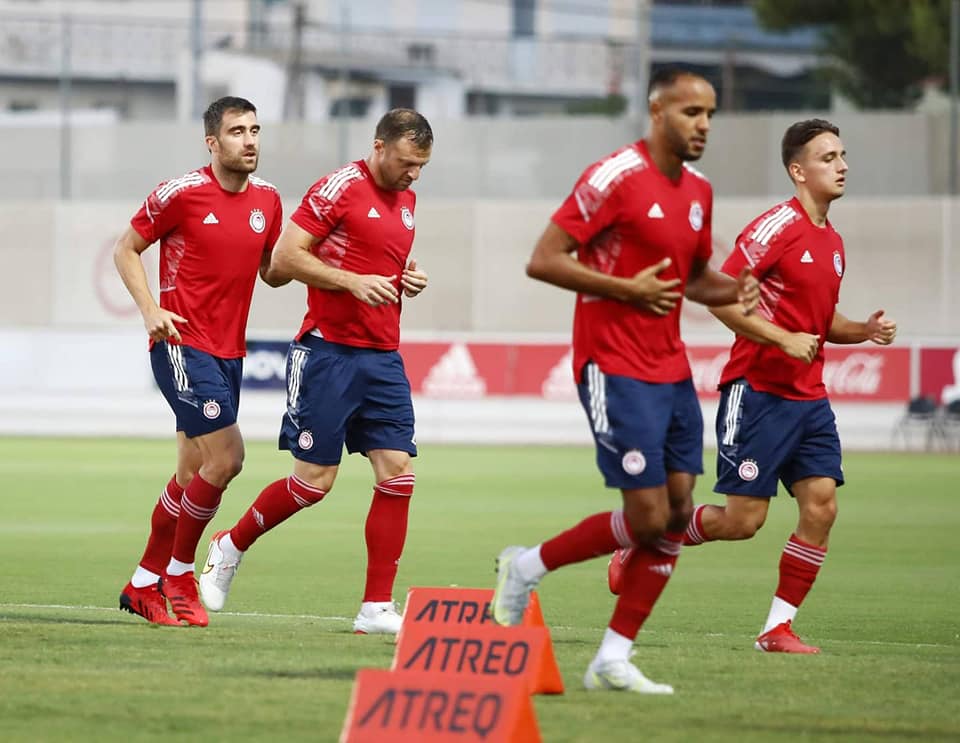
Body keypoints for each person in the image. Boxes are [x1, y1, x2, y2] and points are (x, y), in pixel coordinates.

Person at [490, 68, 759, 694]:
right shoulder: (613, 177)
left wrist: (736, 288)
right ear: (658, 109)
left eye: (711, 115)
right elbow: (544, 258)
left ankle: (612, 657)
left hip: (671, 370)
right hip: (612, 363)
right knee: (646, 516)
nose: (704, 126)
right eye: (692, 113)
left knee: (677, 513)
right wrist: (624, 289)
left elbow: (692, 278)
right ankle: (525, 567)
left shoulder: (699, 189)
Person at [612, 119, 897, 653]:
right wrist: (782, 339)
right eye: (829, 157)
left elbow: (819, 317)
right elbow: (718, 296)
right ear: (798, 170)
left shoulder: (831, 241)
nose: (842, 165)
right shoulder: (776, 228)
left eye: (842, 155)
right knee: (744, 521)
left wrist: (862, 331)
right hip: (759, 393)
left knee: (822, 506)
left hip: (809, 398)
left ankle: (776, 629)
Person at [198, 108, 433, 635]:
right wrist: (350, 282)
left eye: (420, 165)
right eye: (405, 162)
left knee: (398, 471)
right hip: (328, 355)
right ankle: (229, 544)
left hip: (383, 356)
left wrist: (407, 277)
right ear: (378, 147)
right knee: (314, 483)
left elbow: (381, 264)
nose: (413, 173)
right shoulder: (339, 188)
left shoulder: (409, 200)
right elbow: (283, 259)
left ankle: (375, 607)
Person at [114, 96, 285, 627]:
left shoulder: (270, 200)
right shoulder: (181, 194)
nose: (250, 139)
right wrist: (150, 310)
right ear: (213, 142)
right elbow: (125, 250)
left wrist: (319, 264)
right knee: (228, 457)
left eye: (255, 129)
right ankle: (181, 573)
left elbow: (272, 272)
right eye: (237, 131)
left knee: (192, 472)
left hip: (230, 352)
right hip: (181, 346)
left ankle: (142, 582)